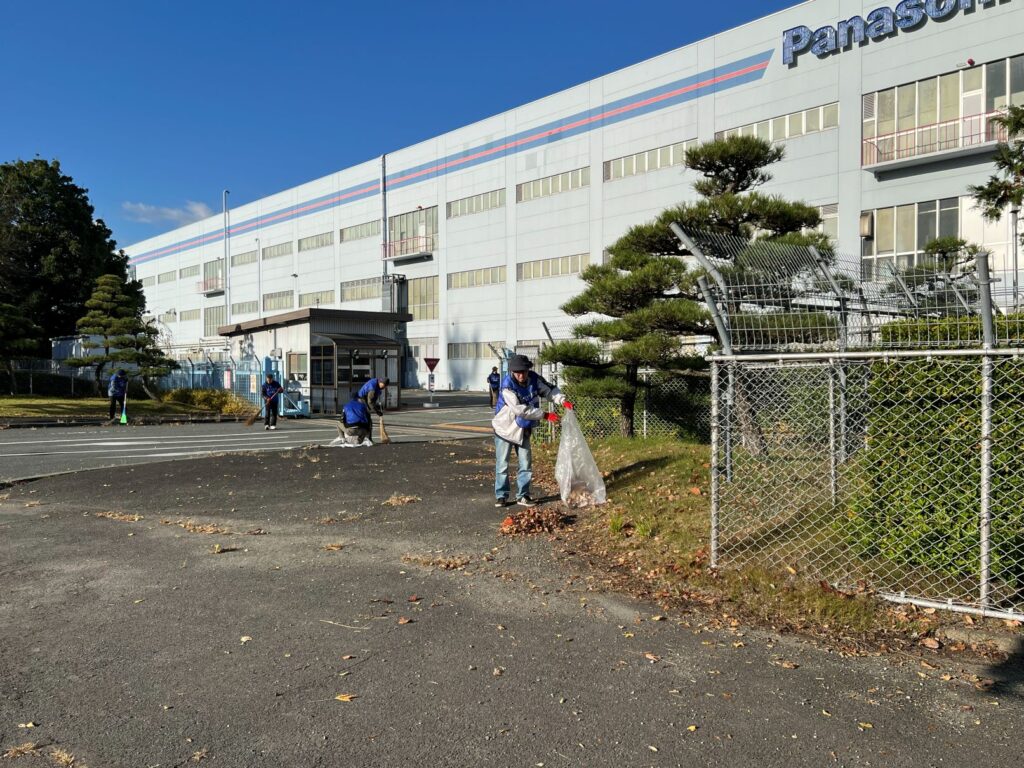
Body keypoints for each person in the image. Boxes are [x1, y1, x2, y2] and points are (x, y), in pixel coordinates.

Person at [491, 354, 572, 508]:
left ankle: (523, 495)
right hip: (504, 429)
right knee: (502, 464)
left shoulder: (534, 379)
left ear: (528, 369)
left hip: (523, 428)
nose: (521, 375)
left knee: (526, 463)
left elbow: (549, 390)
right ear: (512, 372)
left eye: (524, 371)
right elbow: (520, 409)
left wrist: (562, 400)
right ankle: (501, 495)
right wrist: (545, 415)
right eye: (517, 372)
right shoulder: (507, 386)